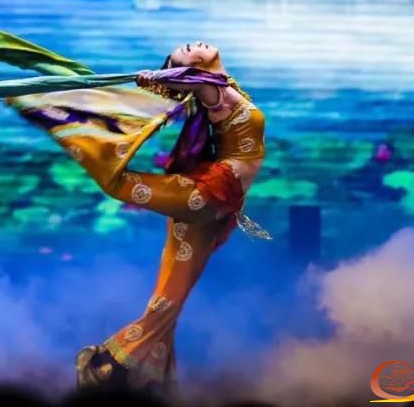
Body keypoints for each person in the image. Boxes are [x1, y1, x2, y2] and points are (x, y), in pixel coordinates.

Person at [70, 41, 269, 395]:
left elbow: (191, 82)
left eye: (187, 46)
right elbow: (192, 82)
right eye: (184, 52)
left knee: (170, 298)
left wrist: (164, 78)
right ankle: (108, 363)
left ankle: (144, 382)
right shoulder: (212, 91)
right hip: (205, 195)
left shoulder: (224, 85)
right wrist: (160, 78)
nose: (191, 44)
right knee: (115, 182)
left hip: (217, 207)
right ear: (188, 71)